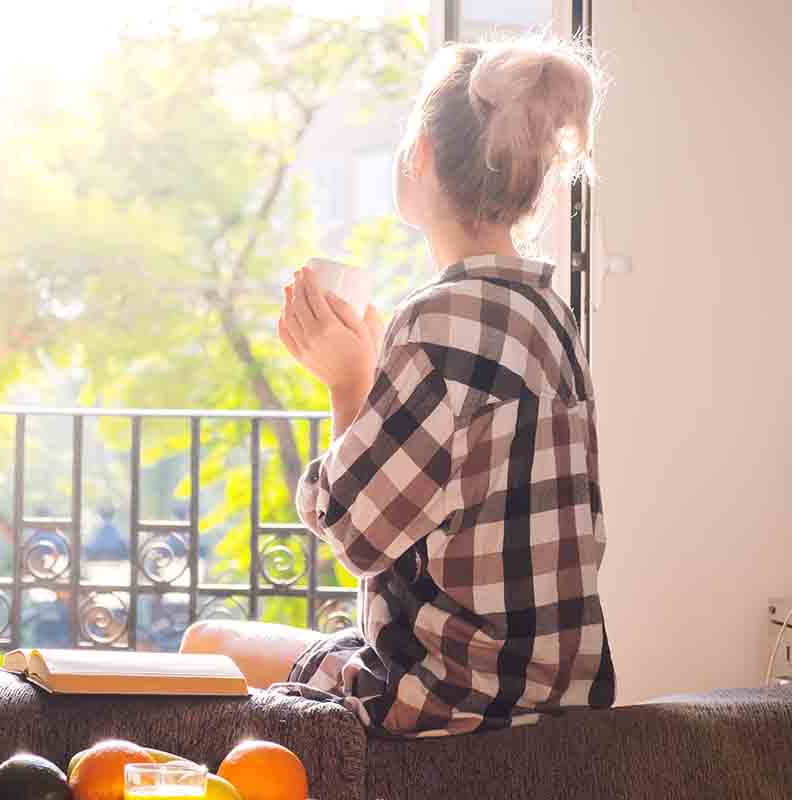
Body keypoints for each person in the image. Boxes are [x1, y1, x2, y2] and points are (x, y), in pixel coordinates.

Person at [181, 35, 614, 737]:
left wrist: (348, 380)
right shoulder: (550, 315)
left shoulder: (438, 319)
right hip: (560, 691)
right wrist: (383, 373)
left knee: (207, 645)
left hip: (449, 696)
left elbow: (355, 533)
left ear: (421, 157)